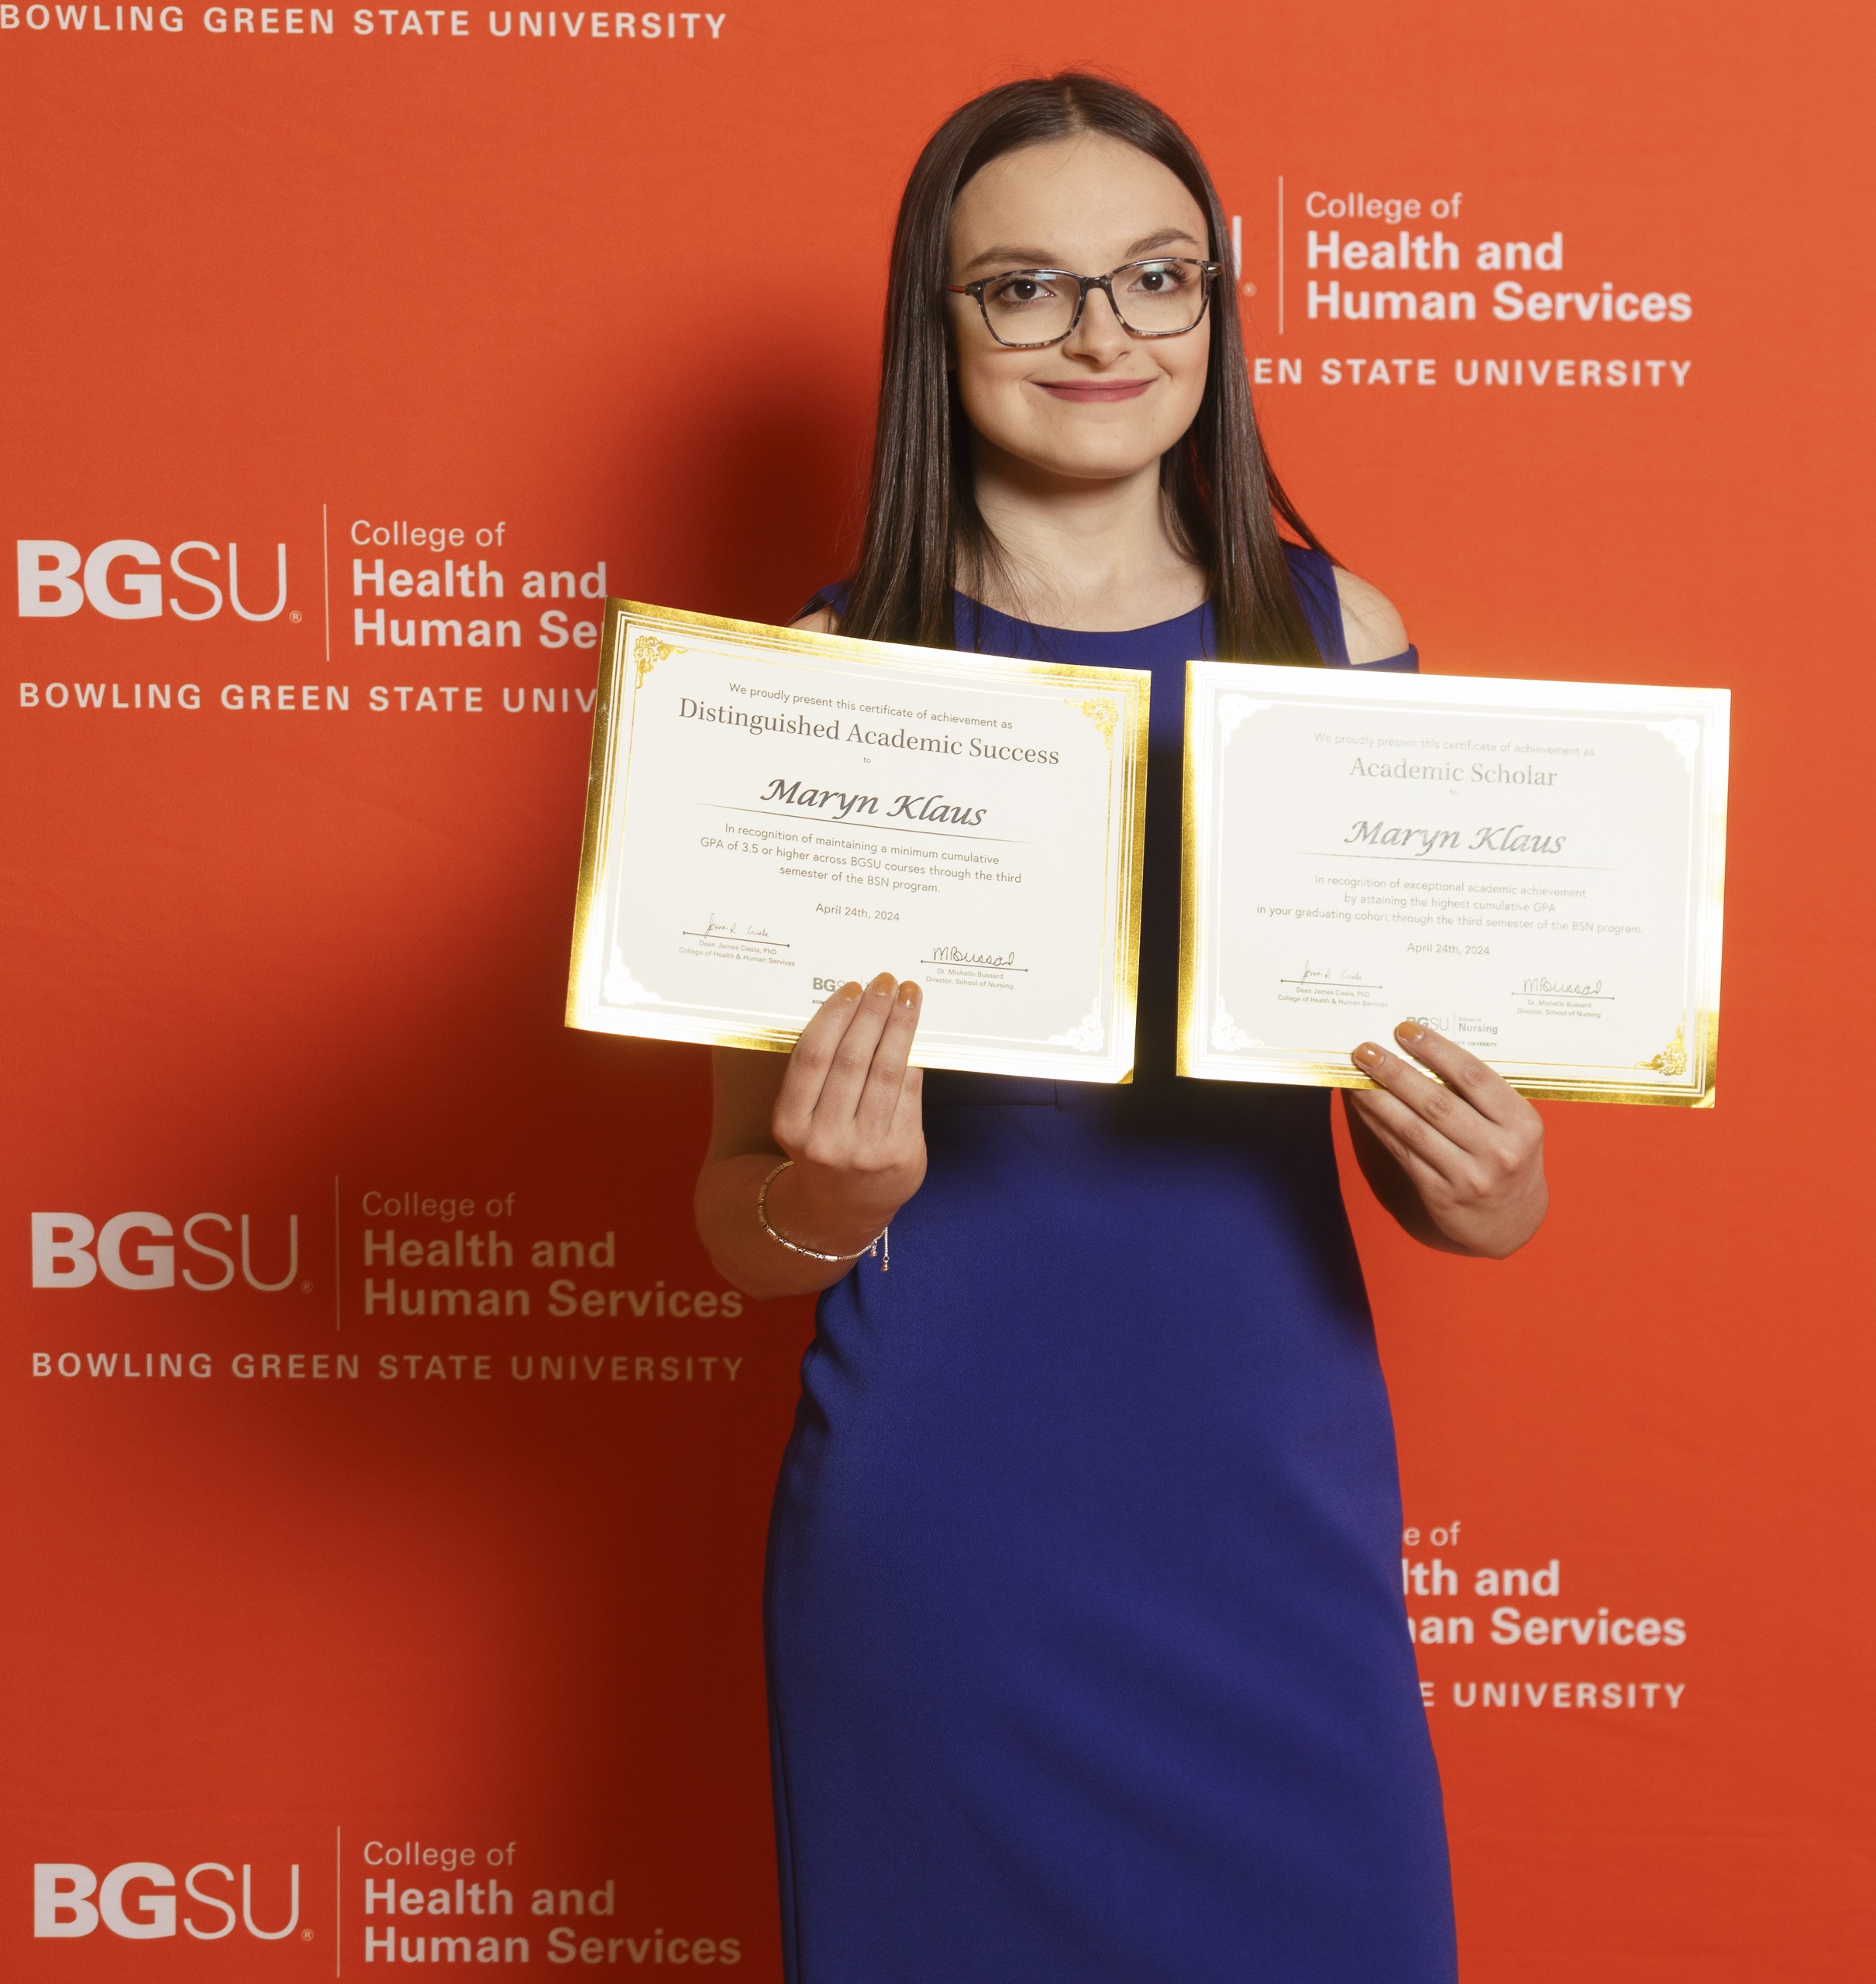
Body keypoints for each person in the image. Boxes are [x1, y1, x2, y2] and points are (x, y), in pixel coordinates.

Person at [691, 72, 1547, 1984]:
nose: (1104, 335)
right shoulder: (812, 688)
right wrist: (840, 1191)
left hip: (1272, 1501)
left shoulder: (1344, 643)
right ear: (937, 323)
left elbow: (1468, 1201)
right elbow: (737, 1227)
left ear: (1218, 310)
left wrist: (1492, 1177)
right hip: (947, 1524)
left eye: (1158, 278)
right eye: (1028, 288)